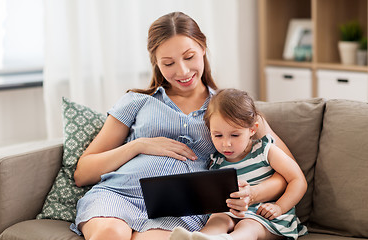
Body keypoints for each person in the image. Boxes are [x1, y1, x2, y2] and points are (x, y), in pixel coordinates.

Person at [70, 12, 292, 240]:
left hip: (181, 211)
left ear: (203, 48)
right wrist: (138, 145)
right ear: (155, 62)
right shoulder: (137, 101)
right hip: (119, 194)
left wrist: (252, 194)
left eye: (189, 57)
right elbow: (83, 173)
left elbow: (288, 171)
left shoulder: (231, 109)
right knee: (109, 233)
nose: (183, 71)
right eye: (169, 63)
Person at [170, 88, 308, 240]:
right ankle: (201, 237)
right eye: (218, 135)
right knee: (218, 219)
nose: (226, 144)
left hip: (265, 216)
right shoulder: (216, 161)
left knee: (247, 225)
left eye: (235, 135)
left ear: (252, 130)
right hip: (232, 213)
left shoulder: (265, 150)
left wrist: (280, 207)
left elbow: (298, 179)